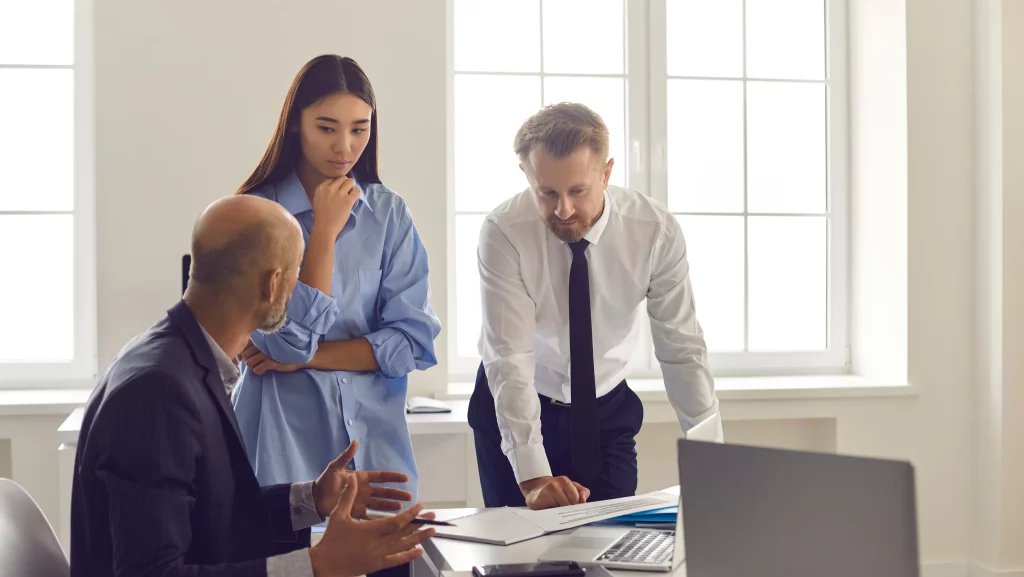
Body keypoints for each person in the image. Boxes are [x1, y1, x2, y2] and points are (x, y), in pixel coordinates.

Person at [70, 195, 435, 577]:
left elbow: (210, 511)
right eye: (299, 273)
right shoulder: (159, 393)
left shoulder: (171, 356)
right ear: (274, 284)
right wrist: (316, 565)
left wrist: (311, 498)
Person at [469, 102, 723, 510]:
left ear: (606, 173)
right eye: (547, 193)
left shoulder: (654, 231)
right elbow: (509, 357)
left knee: (611, 553)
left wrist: (712, 458)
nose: (562, 210)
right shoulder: (503, 232)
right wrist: (533, 476)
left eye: (577, 191)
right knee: (521, 559)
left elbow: (682, 349)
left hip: (606, 411)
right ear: (526, 176)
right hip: (520, 402)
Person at [231, 55, 441, 501]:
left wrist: (306, 359)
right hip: (283, 453)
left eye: (359, 129)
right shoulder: (257, 213)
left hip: (378, 452)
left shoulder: (390, 215)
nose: (344, 147)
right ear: (295, 124)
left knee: (397, 569)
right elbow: (283, 344)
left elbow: (411, 343)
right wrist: (323, 232)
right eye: (327, 128)